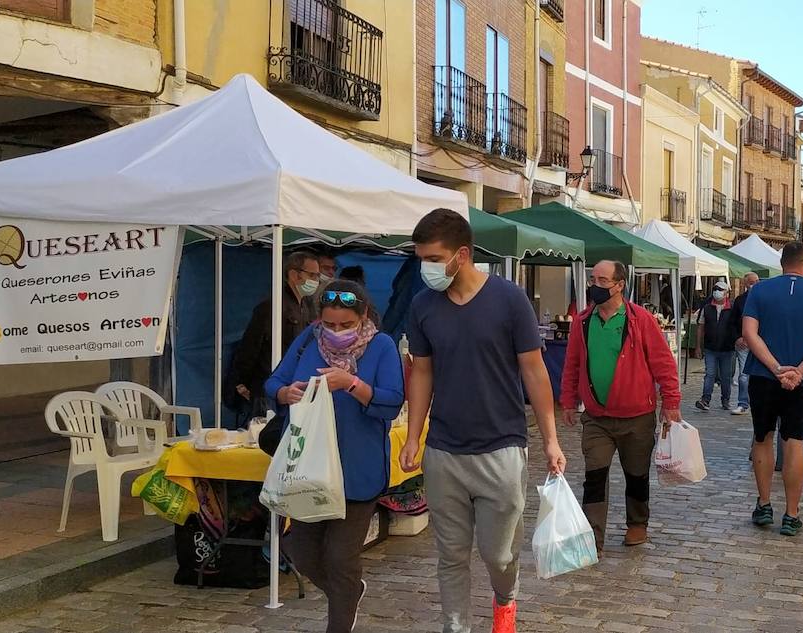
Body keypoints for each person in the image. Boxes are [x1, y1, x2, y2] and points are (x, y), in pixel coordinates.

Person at [398, 209, 565, 633]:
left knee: (499, 554)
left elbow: (534, 370)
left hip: (502, 448)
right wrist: (413, 436)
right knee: (451, 554)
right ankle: (455, 626)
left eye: (434, 259)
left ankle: (505, 599)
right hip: (444, 451)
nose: (426, 268)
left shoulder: (509, 300)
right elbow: (422, 371)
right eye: (422, 258)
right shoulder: (423, 306)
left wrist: (550, 439)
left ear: (462, 254)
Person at [267, 281, 404, 633]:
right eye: (330, 324)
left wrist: (352, 384)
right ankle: (350, 592)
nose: (337, 332)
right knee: (304, 554)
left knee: (341, 558)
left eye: (346, 325)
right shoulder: (308, 341)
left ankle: (339, 623)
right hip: (308, 470)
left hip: (357, 471)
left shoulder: (382, 346)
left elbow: (391, 400)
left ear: (363, 317)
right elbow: (274, 382)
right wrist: (285, 393)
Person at [561, 260, 682, 551]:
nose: (595, 285)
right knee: (595, 475)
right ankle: (592, 536)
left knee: (636, 474)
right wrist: (567, 401)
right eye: (593, 279)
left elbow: (663, 363)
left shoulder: (640, 320)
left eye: (603, 280)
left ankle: (637, 524)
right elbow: (573, 364)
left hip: (636, 416)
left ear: (619, 284)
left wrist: (671, 401)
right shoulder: (583, 321)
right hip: (597, 417)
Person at [741, 242, 803, 537]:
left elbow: (749, 333)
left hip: (763, 376)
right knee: (794, 440)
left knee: (762, 437)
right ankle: (792, 513)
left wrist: (775, 367)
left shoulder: (758, 291)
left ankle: (764, 503)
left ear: (781, 263)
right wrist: (800, 370)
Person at [226, 251, 321, 422]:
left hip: (297, 386)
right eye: (312, 275)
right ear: (294, 274)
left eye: (317, 275)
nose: (316, 280)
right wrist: (241, 383)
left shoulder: (307, 306)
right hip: (267, 387)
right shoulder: (272, 306)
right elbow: (250, 346)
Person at [695, 280, 735, 411]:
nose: (717, 291)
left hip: (727, 348)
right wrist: (698, 346)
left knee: (726, 376)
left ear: (726, 293)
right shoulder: (707, 308)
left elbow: (738, 325)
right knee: (710, 374)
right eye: (715, 289)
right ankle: (705, 400)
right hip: (710, 347)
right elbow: (700, 327)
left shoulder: (732, 308)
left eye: (721, 289)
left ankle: (726, 400)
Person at [727, 272, 761, 416]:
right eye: (751, 282)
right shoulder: (740, 300)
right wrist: (737, 338)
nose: (754, 284)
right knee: (743, 375)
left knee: (758, 375)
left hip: (760, 343)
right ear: (745, 284)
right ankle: (742, 403)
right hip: (743, 343)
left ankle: (758, 403)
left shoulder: (764, 299)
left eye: (756, 281)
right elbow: (732, 322)